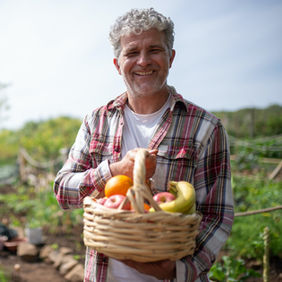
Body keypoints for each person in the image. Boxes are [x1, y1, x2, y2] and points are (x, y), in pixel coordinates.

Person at [53, 7, 234, 282]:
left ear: (170, 58)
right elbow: (63, 191)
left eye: (154, 50)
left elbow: (218, 214)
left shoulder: (205, 127)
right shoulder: (96, 121)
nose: (143, 61)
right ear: (117, 64)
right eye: (132, 52)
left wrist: (178, 270)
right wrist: (114, 171)